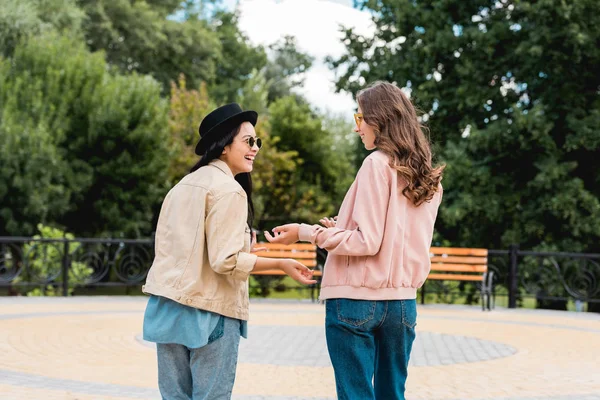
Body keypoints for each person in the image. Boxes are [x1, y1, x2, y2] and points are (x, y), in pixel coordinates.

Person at [264, 81, 445, 400]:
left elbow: (368, 243)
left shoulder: (376, 164)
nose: (357, 128)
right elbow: (395, 238)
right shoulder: (427, 177)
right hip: (402, 304)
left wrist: (308, 232)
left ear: (380, 120)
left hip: (356, 300)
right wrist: (342, 226)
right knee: (393, 394)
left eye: (360, 118)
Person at [142, 103, 316, 400]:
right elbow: (226, 261)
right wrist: (282, 263)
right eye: (249, 141)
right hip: (211, 311)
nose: (256, 148)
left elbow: (182, 250)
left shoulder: (181, 187)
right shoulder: (229, 190)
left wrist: (244, 247)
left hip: (167, 309)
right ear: (224, 146)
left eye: (257, 142)